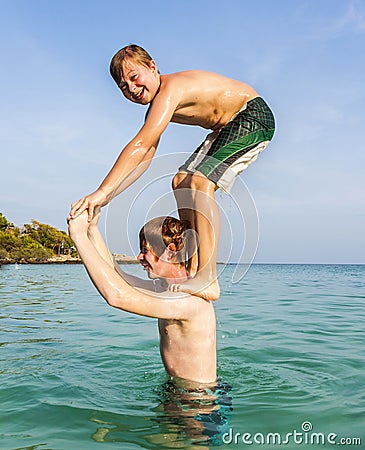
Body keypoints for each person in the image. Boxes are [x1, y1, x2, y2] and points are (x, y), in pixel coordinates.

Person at [69, 44, 275, 301]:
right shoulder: (156, 106)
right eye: (123, 86)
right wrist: (107, 198)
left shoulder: (170, 90)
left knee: (200, 182)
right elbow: (144, 159)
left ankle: (207, 278)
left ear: (152, 67)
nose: (132, 89)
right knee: (180, 181)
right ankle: (193, 267)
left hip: (252, 117)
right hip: (227, 128)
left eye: (134, 78)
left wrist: (99, 192)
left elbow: (140, 144)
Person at [67, 211, 217, 386]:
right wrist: (92, 230)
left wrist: (78, 236)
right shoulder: (165, 289)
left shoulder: (185, 299)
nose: (139, 257)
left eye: (145, 251)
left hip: (198, 400)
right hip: (179, 390)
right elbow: (118, 276)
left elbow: (116, 297)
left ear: (170, 252)